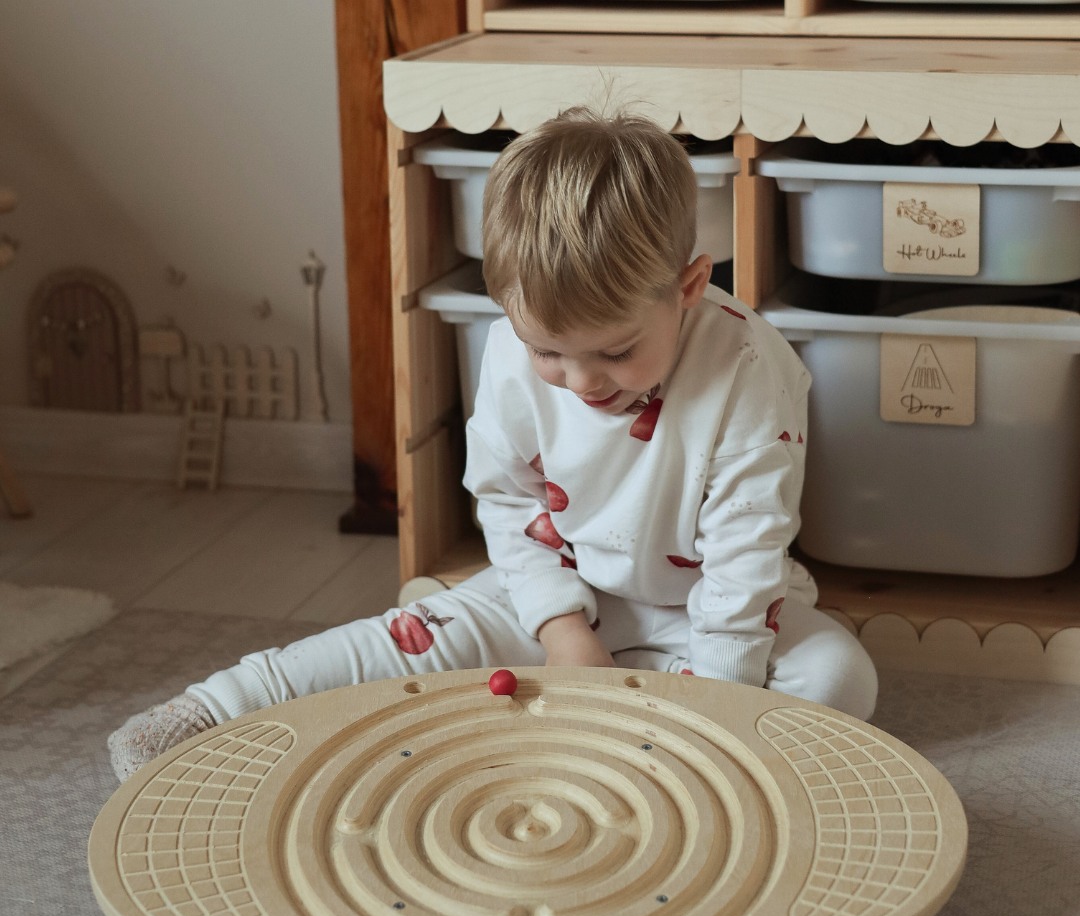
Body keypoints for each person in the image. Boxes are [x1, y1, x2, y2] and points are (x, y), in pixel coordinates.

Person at [108, 105, 877, 782]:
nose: (580, 381)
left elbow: (745, 558)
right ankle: (214, 707)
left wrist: (710, 717)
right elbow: (508, 497)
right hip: (560, 594)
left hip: (703, 609)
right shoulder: (516, 343)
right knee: (405, 639)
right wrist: (565, 632)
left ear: (687, 285)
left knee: (841, 676)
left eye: (614, 352)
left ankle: (651, 689)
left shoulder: (749, 370)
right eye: (550, 351)